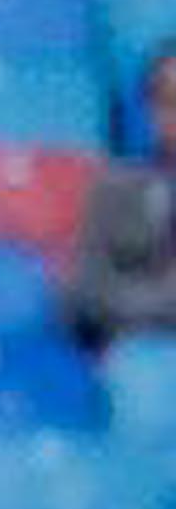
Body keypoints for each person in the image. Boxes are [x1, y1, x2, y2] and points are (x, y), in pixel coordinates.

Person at [69, 44, 176, 344]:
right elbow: (88, 294)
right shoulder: (115, 191)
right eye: (170, 101)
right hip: (141, 356)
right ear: (152, 113)